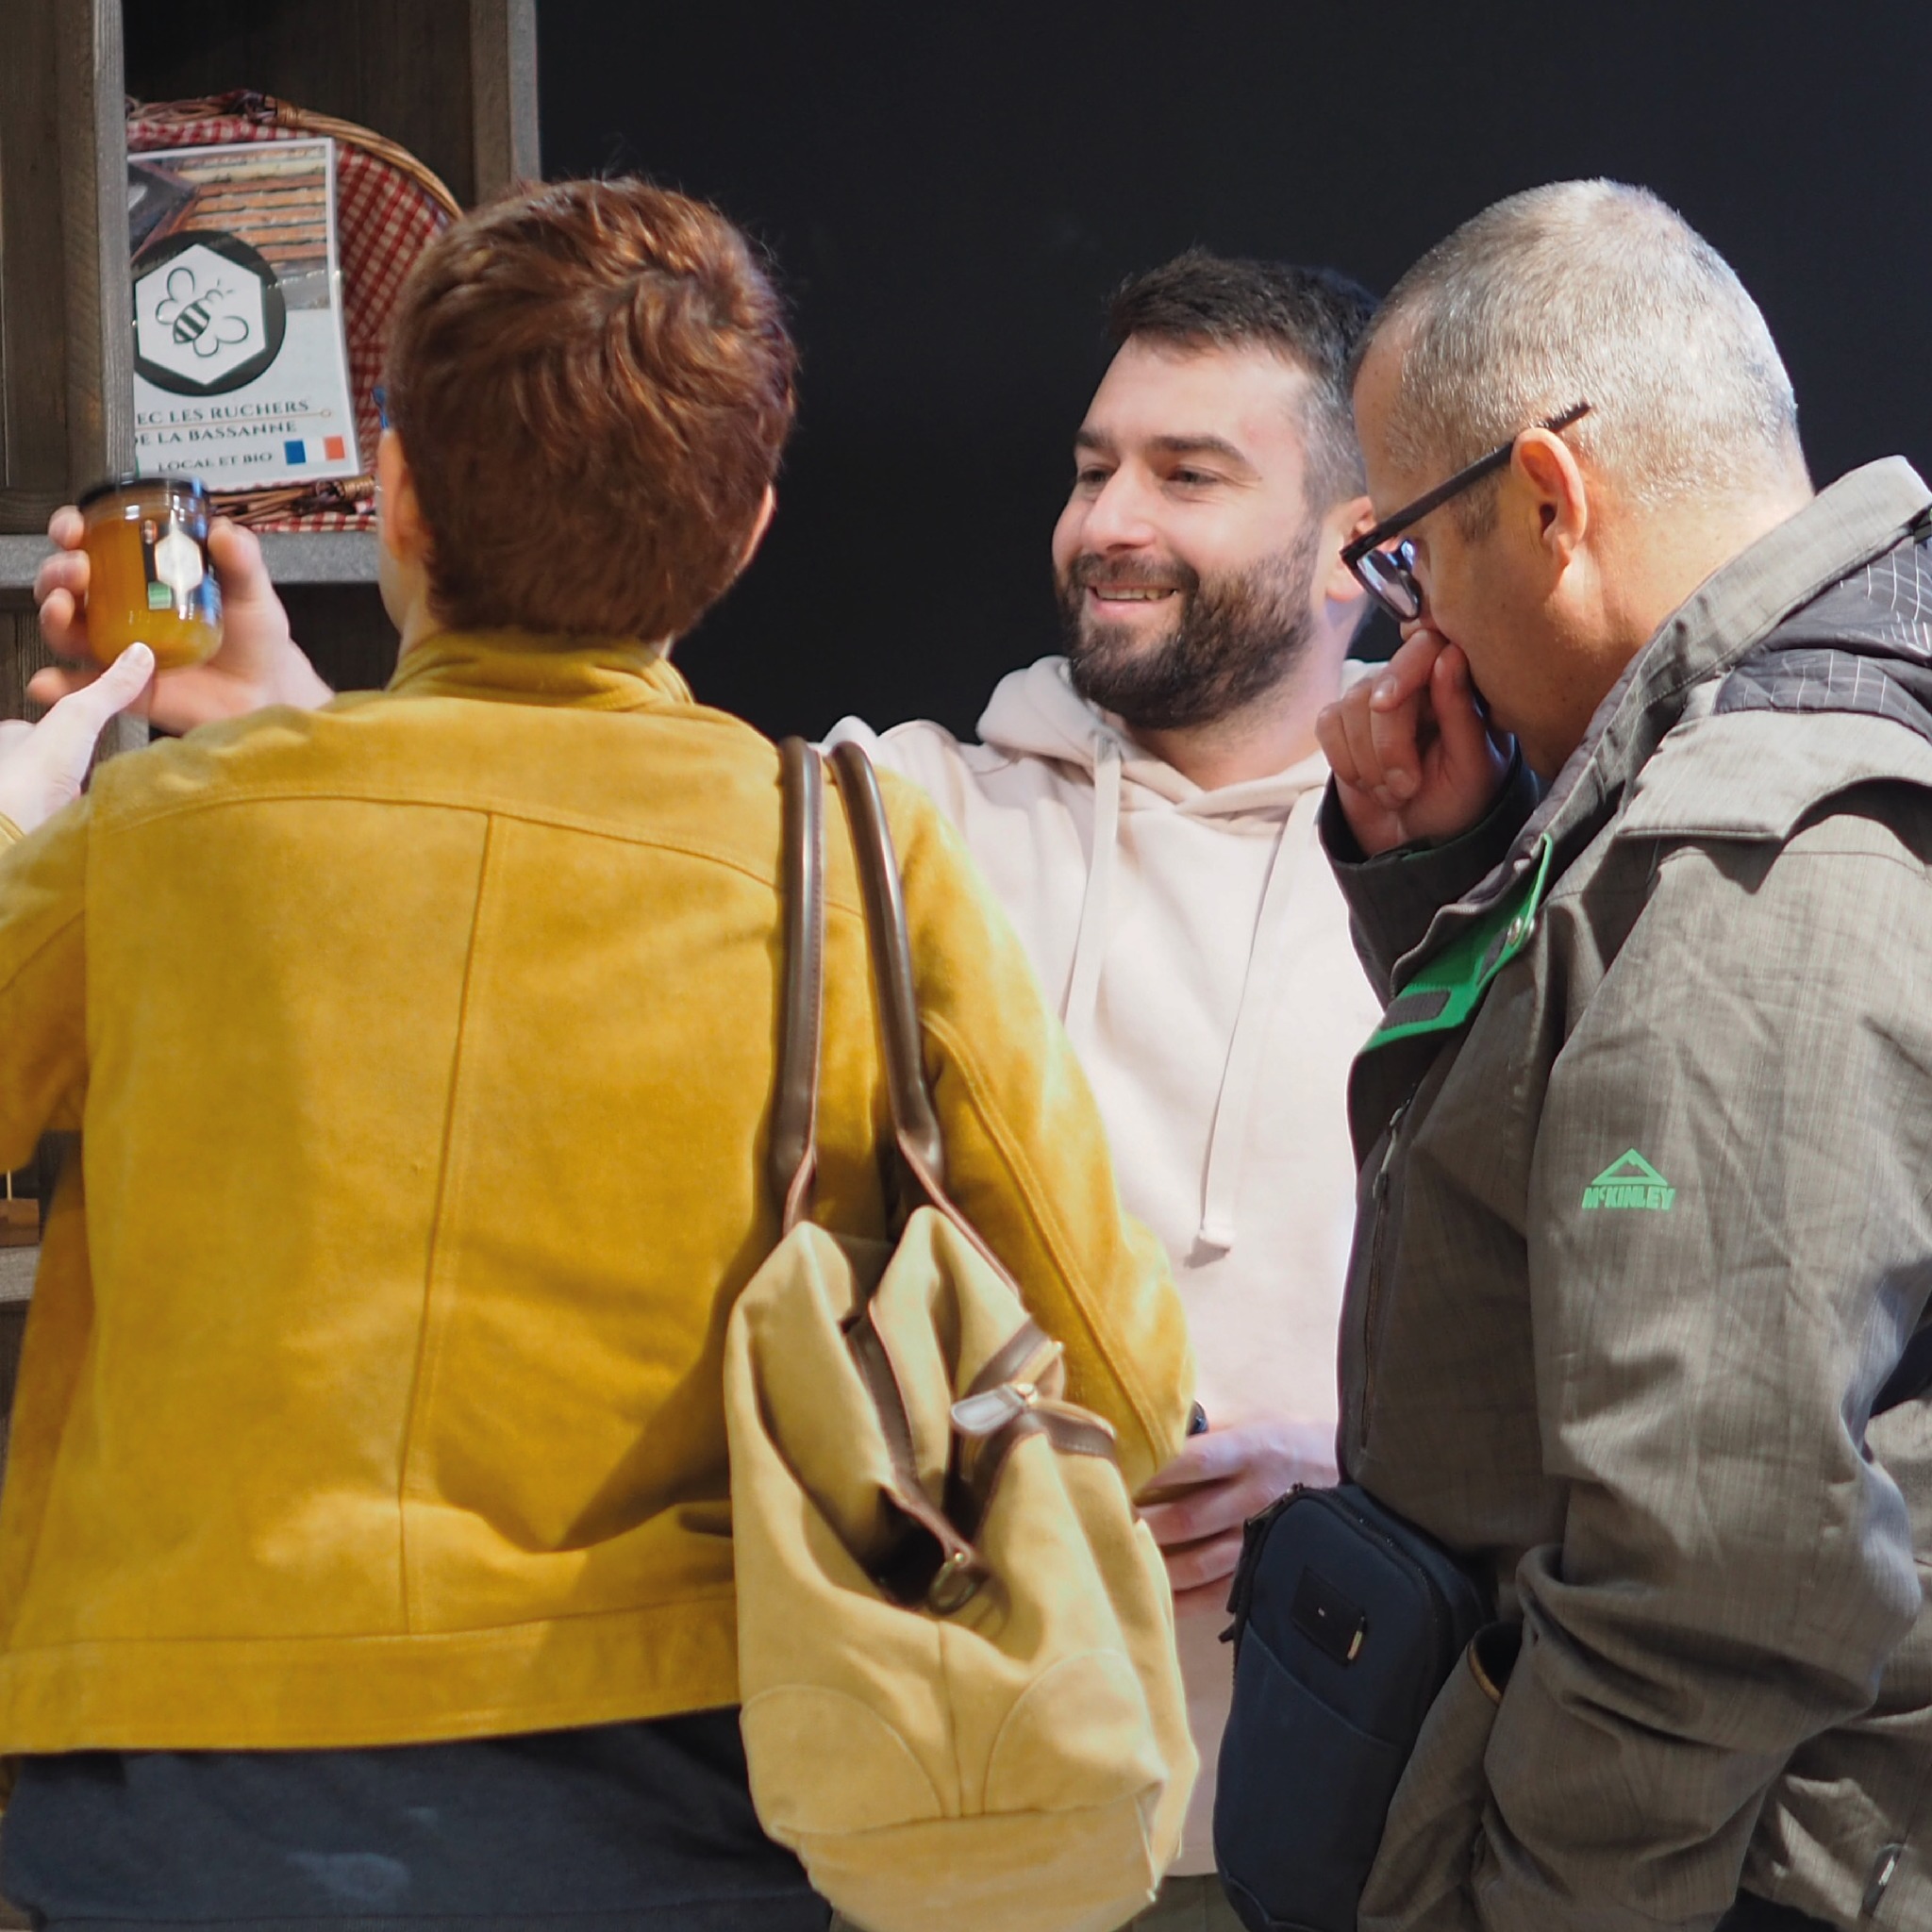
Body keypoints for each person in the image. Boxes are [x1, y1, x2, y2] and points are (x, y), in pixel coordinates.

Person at [0, 177, 1193, 1930]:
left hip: (184, 1783)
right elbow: (1122, 1378)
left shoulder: (152, 842)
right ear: (748, 527)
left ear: (396, 492)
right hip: (680, 1796)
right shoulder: (849, 856)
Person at [1315, 179, 1932, 1932]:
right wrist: (1455, 870)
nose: (1415, 628)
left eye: (1417, 555)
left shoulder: (1753, 858)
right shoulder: (1792, 742)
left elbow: (1722, 1559)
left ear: (1547, 495)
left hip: (1742, 1876)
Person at [827, 250, 1385, 1923]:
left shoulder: (1480, 855)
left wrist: (1372, 1465)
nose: (1108, 522)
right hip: (975, 1818)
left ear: (1360, 545)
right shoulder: (910, 811)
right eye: (1092, 470)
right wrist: (284, 711)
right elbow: (594, 840)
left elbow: (1610, 1304)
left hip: (1356, 1816)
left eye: (1187, 474)